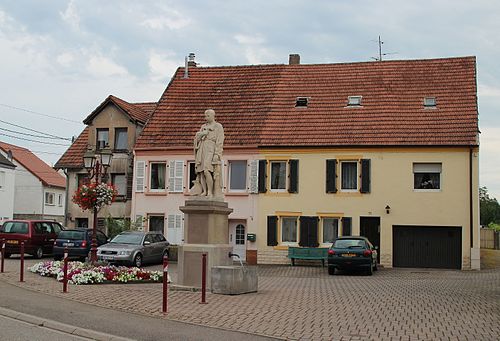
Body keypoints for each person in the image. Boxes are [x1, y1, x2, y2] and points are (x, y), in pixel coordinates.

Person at [192, 109, 224, 198]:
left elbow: (220, 141)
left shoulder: (218, 126)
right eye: (205, 116)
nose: (206, 118)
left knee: (207, 170)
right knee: (201, 171)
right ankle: (204, 191)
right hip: (202, 148)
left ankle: (210, 191)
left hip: (211, 148)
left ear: (213, 116)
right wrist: (201, 135)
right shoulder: (203, 126)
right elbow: (196, 140)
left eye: (208, 116)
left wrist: (217, 154)